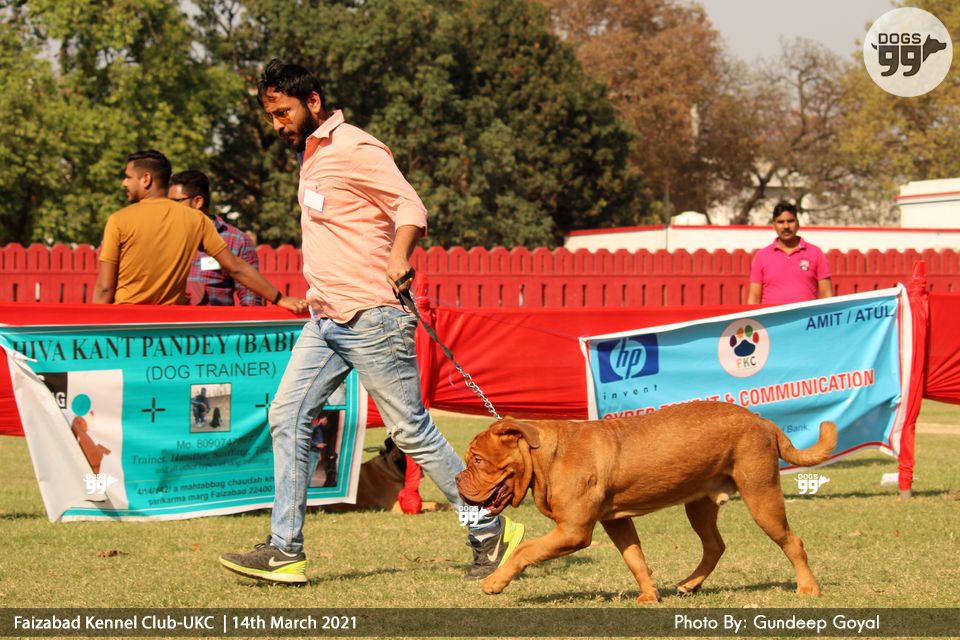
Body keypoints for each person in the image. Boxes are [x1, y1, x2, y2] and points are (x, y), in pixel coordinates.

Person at [218, 60, 524, 584]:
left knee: (410, 431)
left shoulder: (355, 146)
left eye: (283, 112)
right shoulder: (313, 156)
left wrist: (399, 255)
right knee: (287, 416)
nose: (277, 124)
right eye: (270, 116)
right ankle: (285, 549)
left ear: (313, 102)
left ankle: (488, 527)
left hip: (372, 315)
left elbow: (411, 207)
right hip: (325, 318)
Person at [92, 150, 305, 312]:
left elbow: (104, 288)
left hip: (126, 326)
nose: (124, 183)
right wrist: (280, 298)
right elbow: (236, 268)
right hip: (168, 328)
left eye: (128, 177)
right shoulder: (196, 219)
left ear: (146, 179)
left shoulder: (119, 220)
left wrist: (92, 328)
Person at [168, 170, 265, 306]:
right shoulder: (165, 238)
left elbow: (251, 300)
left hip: (215, 320)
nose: (169, 208)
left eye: (175, 202)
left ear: (197, 202)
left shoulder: (237, 241)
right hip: (172, 319)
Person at [747, 201, 834, 305]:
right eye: (780, 222)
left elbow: (827, 295)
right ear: (774, 225)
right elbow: (754, 299)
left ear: (798, 223)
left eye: (790, 221)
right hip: (773, 316)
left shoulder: (816, 253)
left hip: (806, 315)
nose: (786, 226)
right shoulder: (761, 256)